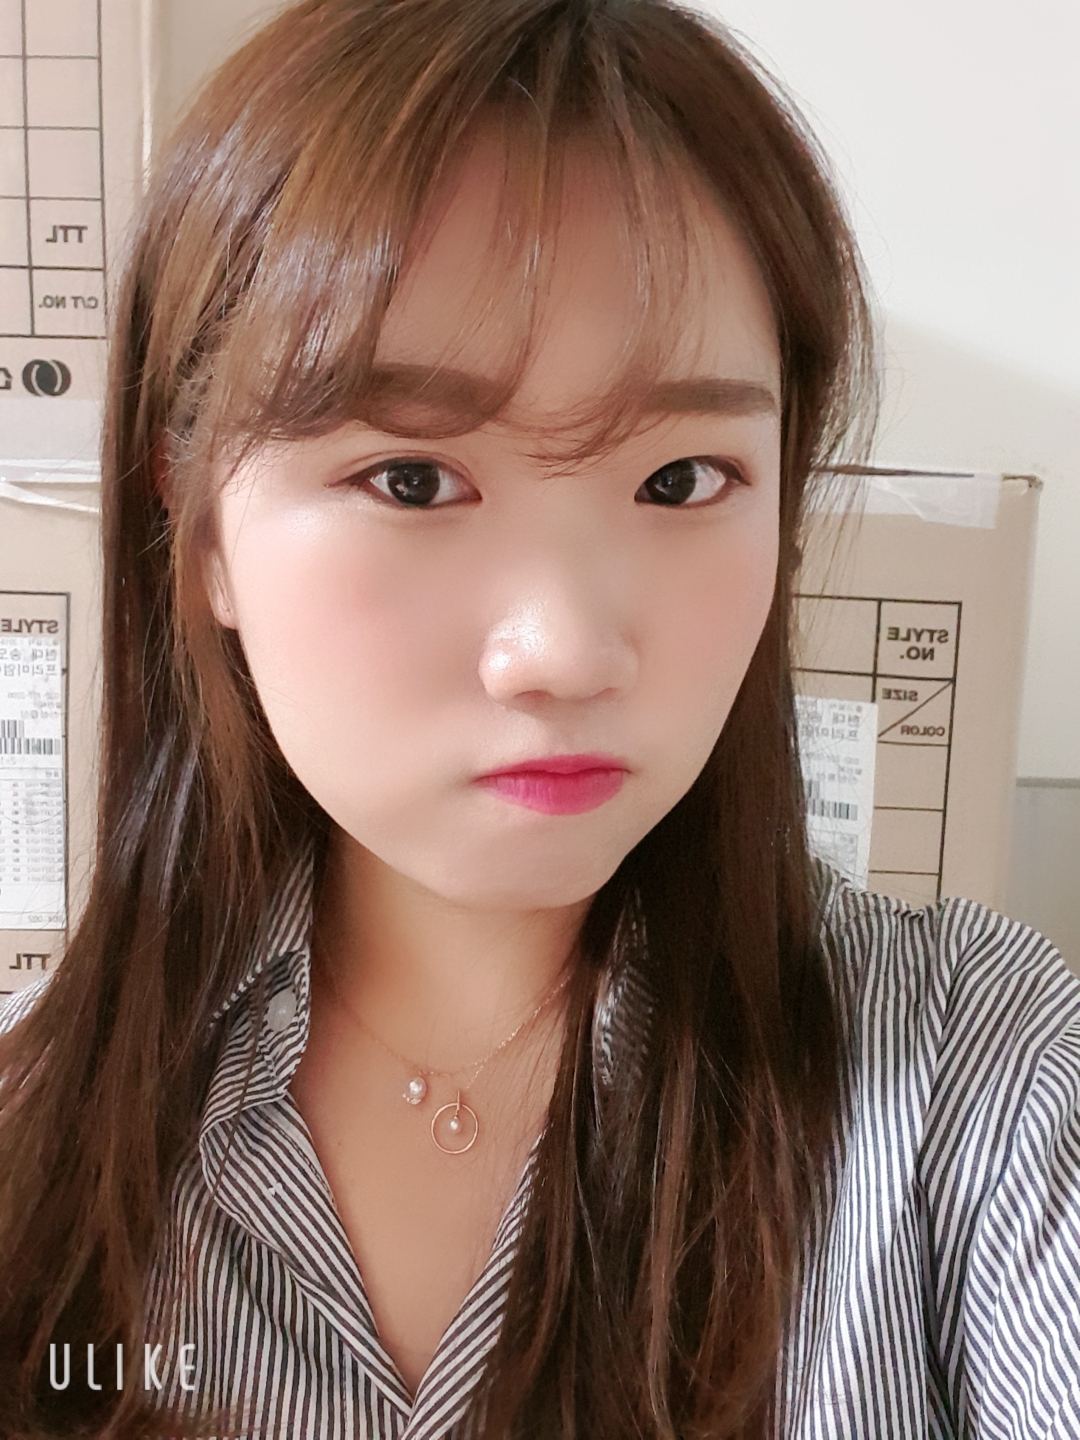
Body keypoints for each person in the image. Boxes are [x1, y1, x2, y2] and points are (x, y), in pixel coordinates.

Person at [1, 0, 1078, 1435]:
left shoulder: (968, 1077)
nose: (564, 652)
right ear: (197, 532)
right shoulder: (29, 1142)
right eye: (412, 480)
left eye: (682, 479)